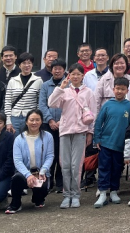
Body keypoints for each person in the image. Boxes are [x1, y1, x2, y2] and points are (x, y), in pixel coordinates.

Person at [48, 63, 96, 208]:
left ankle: (75, 195)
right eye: (73, 74)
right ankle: (66, 195)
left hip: (81, 132)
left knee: (76, 165)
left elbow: (93, 113)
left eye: (78, 74)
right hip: (65, 131)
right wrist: (60, 88)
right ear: (69, 75)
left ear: (82, 76)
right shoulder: (65, 91)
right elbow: (51, 103)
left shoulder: (88, 92)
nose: (75, 77)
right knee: (65, 165)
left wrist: (90, 132)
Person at [93, 76, 130, 206]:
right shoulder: (107, 104)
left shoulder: (129, 106)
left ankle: (114, 191)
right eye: (117, 88)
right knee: (104, 168)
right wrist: (97, 138)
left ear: (127, 90)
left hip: (120, 145)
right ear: (113, 89)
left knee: (117, 168)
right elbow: (99, 122)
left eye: (123, 89)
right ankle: (103, 193)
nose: (120, 91)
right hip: (105, 143)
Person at [7, 109, 54, 214]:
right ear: (26, 122)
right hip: (24, 173)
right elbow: (17, 161)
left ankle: (38, 199)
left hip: (40, 173)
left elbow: (50, 156)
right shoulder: (19, 139)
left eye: (37, 120)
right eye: (31, 120)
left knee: (43, 188)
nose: (34, 122)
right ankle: (15, 203)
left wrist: (43, 171)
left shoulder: (48, 136)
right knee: (16, 179)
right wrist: (28, 175)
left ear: (41, 121)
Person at [39, 58, 66, 191]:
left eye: (60, 68)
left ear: (64, 70)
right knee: (49, 153)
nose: (57, 71)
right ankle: (49, 182)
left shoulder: (68, 85)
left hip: (64, 125)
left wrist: (61, 120)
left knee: (62, 153)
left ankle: (60, 183)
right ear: (51, 70)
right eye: (55, 68)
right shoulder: (45, 85)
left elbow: (69, 105)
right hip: (47, 125)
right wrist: (50, 120)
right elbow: (42, 104)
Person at [4, 53, 44, 133]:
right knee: (15, 139)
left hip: (31, 118)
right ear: (19, 65)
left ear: (32, 65)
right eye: (24, 63)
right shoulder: (12, 80)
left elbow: (39, 102)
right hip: (14, 117)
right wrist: (8, 121)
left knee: (29, 138)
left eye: (29, 63)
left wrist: (36, 118)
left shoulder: (38, 81)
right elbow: (8, 102)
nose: (27, 65)